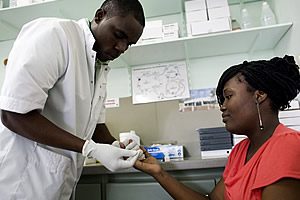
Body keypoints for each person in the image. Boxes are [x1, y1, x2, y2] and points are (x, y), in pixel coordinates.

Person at [0, 0, 145, 199]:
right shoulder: (55, 34)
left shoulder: (99, 65)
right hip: (21, 184)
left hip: (57, 185)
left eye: (129, 43)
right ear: (99, 16)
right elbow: (13, 114)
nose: (121, 47)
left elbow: (93, 125)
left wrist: (116, 147)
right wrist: (90, 148)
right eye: (119, 35)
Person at [135, 55, 300, 200]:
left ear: (259, 96)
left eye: (228, 96)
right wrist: (159, 173)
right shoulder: (240, 151)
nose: (222, 106)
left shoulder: (287, 145)